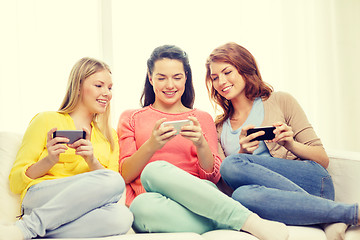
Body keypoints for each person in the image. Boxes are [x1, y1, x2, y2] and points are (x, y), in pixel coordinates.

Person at [117, 44, 289, 240]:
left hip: (203, 197)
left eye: (177, 77)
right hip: (154, 202)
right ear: (150, 78)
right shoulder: (131, 117)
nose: (170, 85)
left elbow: (212, 177)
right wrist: (152, 145)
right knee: (141, 203)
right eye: (161, 78)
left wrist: (201, 144)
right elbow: (125, 174)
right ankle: (231, 220)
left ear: (186, 78)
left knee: (153, 169)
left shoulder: (202, 118)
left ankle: (248, 221)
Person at [205, 42, 359, 240]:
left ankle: (348, 213)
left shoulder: (280, 101)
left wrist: (291, 144)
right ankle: (332, 215)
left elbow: (322, 158)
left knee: (231, 163)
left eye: (227, 72)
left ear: (244, 69)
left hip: (313, 182)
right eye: (214, 77)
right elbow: (226, 186)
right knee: (240, 196)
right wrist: (243, 152)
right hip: (276, 199)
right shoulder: (219, 127)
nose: (221, 81)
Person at [1, 57, 133, 240]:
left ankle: (30, 230)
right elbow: (16, 182)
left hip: (80, 209)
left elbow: (113, 191)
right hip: (42, 196)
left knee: (122, 217)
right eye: (99, 85)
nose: (107, 93)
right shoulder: (45, 120)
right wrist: (49, 160)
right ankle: (30, 226)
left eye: (110, 88)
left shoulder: (109, 135)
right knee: (114, 180)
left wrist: (92, 161)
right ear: (78, 86)